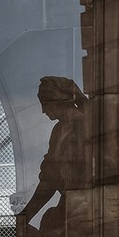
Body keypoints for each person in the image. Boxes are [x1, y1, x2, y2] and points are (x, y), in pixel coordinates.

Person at [17, 76, 90, 228]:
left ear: (59, 100)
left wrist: (24, 218)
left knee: (51, 224)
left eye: (45, 104)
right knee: (49, 223)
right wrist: (24, 218)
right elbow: (49, 180)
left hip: (88, 206)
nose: (43, 111)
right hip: (71, 204)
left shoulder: (88, 126)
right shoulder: (58, 131)